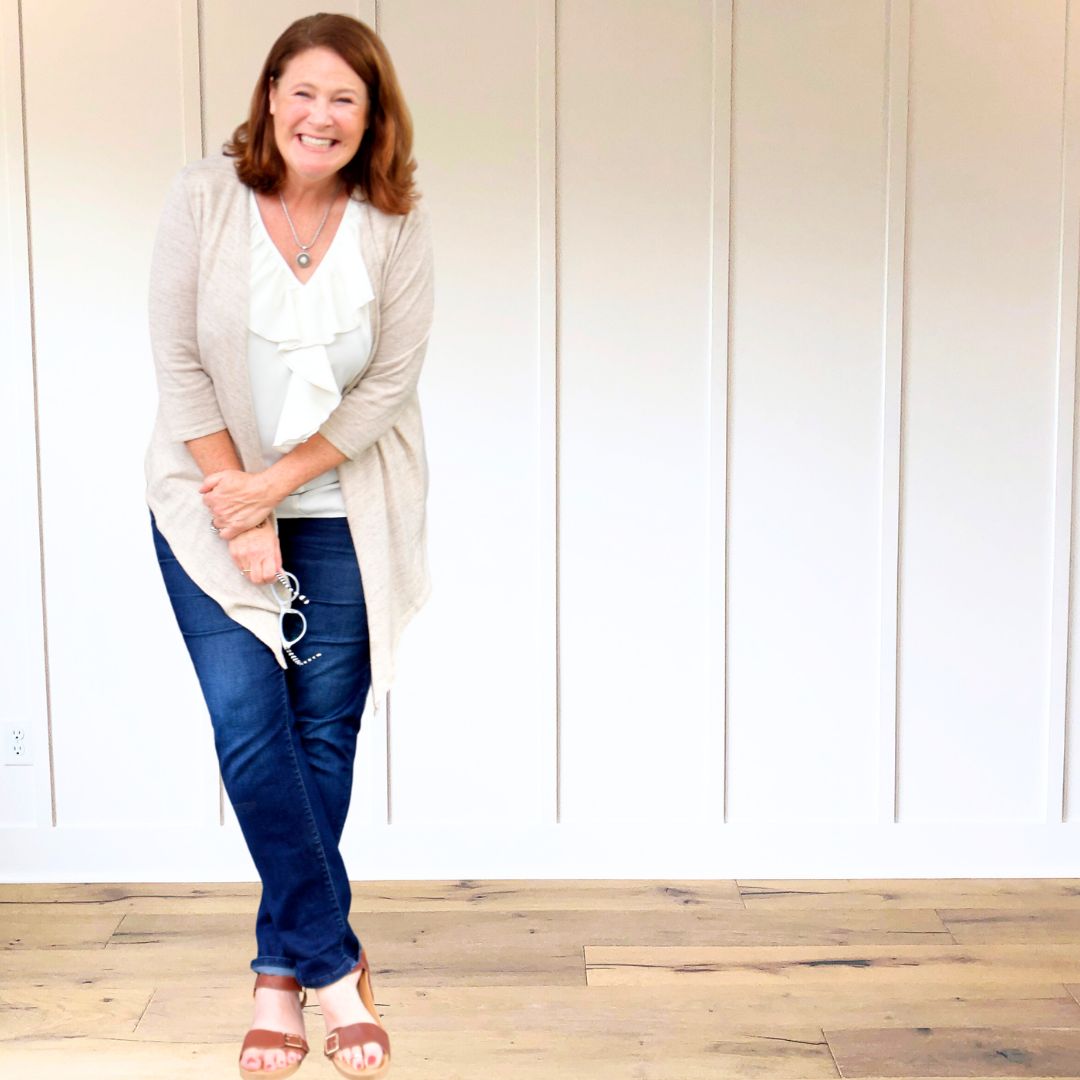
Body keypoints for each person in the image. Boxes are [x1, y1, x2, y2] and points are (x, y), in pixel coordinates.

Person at [144, 12, 433, 1079]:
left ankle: (278, 972)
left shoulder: (394, 221)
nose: (321, 115)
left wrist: (277, 487)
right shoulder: (203, 198)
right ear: (270, 97)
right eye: (303, 92)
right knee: (251, 730)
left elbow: (390, 386)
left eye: (345, 100)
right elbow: (179, 366)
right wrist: (240, 503)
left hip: (345, 509)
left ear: (372, 119)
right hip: (204, 506)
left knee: (322, 740)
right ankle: (337, 970)